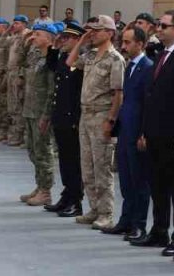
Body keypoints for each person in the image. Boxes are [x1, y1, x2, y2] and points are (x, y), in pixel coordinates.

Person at [130, 10, 174, 254]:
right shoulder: (161, 54)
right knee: (158, 185)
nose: (159, 29)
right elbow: (151, 96)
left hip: (172, 135)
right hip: (154, 133)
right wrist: (145, 130)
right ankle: (159, 230)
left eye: (164, 25)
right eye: (158, 24)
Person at [70, 16, 125, 229]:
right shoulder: (91, 55)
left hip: (102, 115)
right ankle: (93, 208)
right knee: (87, 166)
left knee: (102, 167)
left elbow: (118, 94)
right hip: (86, 115)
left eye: (98, 30)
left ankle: (106, 213)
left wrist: (110, 120)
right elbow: (70, 62)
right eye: (91, 30)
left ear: (110, 33)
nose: (93, 33)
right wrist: (82, 41)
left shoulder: (115, 59)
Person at [108, 25, 153, 238]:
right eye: (123, 42)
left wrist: (144, 132)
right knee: (125, 179)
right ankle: (126, 219)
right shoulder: (129, 66)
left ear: (140, 44)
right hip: (126, 129)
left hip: (137, 132)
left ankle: (139, 223)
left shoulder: (147, 67)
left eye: (128, 42)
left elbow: (147, 103)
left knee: (139, 180)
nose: (124, 46)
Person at [46, 22, 85, 216]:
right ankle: (67, 194)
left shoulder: (80, 60)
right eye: (63, 37)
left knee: (73, 161)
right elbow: (51, 66)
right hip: (60, 115)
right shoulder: (63, 56)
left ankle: (75, 200)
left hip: (72, 118)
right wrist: (54, 45)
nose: (64, 41)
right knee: (64, 159)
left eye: (68, 38)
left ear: (78, 40)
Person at [19, 21, 58, 207]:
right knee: (33, 151)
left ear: (49, 39)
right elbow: (18, 61)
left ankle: (46, 191)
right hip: (29, 108)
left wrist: (46, 115)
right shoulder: (34, 54)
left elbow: (52, 90)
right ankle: (39, 185)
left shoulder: (51, 58)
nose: (34, 37)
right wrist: (26, 41)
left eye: (38, 35)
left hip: (41, 111)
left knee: (43, 151)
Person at [4, 16, 31, 147]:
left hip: (19, 74)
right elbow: (2, 43)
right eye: (13, 23)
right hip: (11, 73)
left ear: (24, 24)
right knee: (12, 105)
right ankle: (15, 134)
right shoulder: (14, 37)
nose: (14, 25)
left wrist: (21, 75)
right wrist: (8, 30)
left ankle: (22, 136)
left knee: (19, 105)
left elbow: (25, 58)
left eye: (17, 23)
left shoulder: (27, 36)